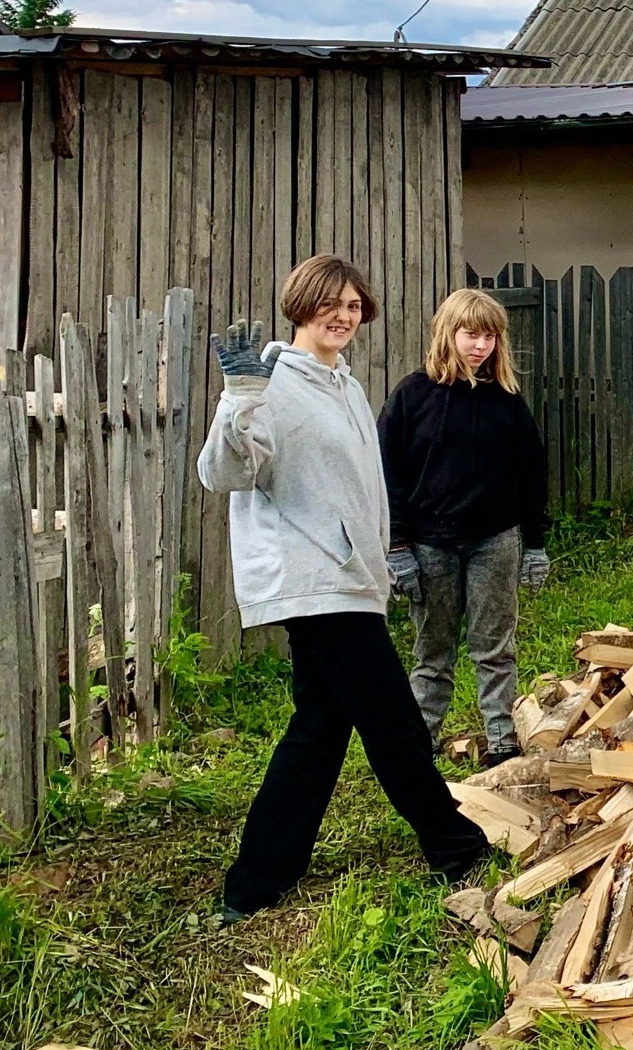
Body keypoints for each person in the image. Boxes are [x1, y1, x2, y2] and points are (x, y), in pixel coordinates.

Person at [199, 255, 489, 921]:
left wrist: (383, 564)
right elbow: (223, 472)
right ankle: (455, 846)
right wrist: (239, 396)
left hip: (351, 581)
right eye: (330, 303)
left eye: (354, 306)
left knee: (319, 730)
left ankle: (256, 883)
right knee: (394, 721)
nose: (343, 316)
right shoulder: (270, 382)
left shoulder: (345, 386)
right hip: (311, 580)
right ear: (300, 304)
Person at [377, 289, 550, 761]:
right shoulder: (412, 396)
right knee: (432, 651)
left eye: (490, 336)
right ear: (447, 334)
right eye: (471, 334)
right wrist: (396, 548)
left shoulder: (507, 402)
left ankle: (502, 741)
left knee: (494, 646)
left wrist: (534, 545)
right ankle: (419, 743)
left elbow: (532, 474)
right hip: (429, 545)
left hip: (495, 540)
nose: (481, 346)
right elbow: (384, 474)